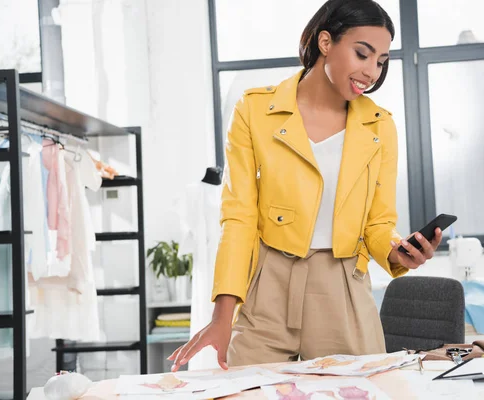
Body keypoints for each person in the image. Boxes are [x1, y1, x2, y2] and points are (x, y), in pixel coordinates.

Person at [168, 0, 442, 372]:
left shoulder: (380, 127)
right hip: (268, 289)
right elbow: (239, 219)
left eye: (380, 61)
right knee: (245, 392)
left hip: (344, 287)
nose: (371, 72)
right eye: (362, 53)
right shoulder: (253, 111)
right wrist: (222, 317)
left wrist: (398, 252)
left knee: (363, 394)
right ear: (325, 42)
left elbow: (378, 224)